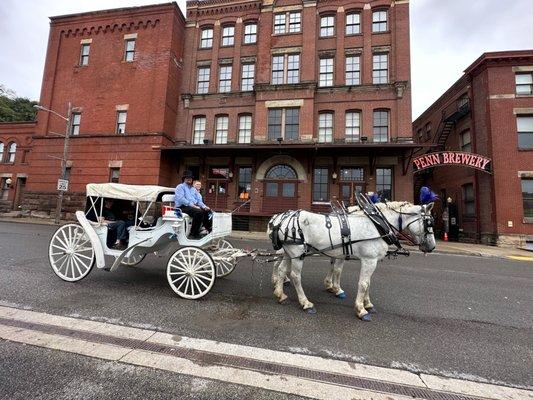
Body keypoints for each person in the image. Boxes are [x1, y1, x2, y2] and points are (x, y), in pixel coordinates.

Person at [175, 171, 212, 239]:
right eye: (187, 178)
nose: (189, 179)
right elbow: (181, 199)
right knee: (198, 212)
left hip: (191, 207)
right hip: (182, 207)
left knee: (206, 211)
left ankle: (208, 230)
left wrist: (205, 206)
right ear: (184, 178)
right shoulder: (180, 187)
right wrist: (193, 206)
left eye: (191, 178)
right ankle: (193, 233)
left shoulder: (193, 189)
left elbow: (199, 200)